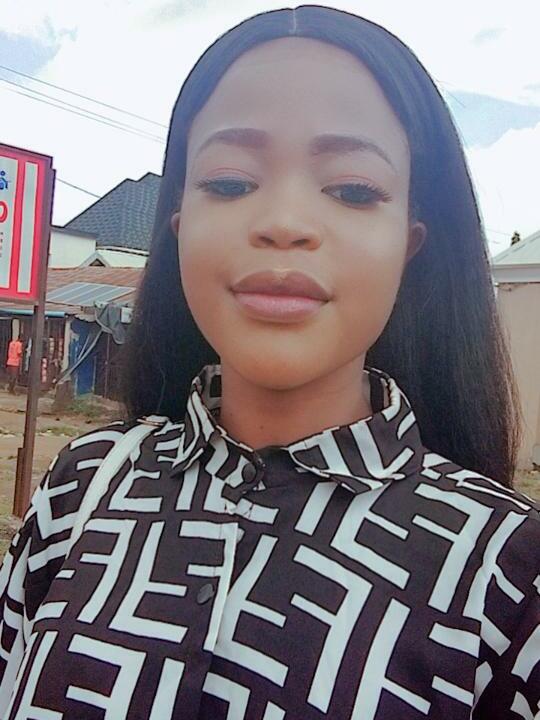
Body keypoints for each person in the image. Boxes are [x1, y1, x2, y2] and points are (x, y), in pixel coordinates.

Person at [0, 6, 538, 719]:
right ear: (180, 226)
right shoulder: (84, 483)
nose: (284, 222)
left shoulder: (508, 567)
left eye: (352, 190)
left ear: (409, 244)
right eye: (229, 182)